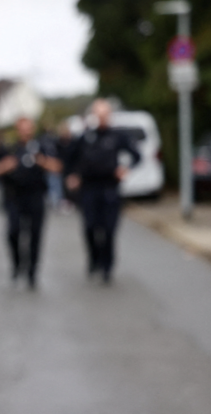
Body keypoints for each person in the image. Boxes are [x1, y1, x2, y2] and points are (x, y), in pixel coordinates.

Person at [66, 99, 141, 283]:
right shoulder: (85, 137)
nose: (101, 118)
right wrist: (73, 175)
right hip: (89, 189)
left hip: (110, 188)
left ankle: (107, 266)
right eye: (98, 114)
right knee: (90, 227)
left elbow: (136, 156)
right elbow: (69, 158)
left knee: (109, 230)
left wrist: (125, 168)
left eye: (105, 114)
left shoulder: (117, 136)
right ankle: (94, 259)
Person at [0, 117, 61, 289]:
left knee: (35, 235)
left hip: (36, 196)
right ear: (17, 130)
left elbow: (57, 167)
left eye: (29, 128)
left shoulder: (42, 146)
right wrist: (7, 165)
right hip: (15, 196)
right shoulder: (9, 147)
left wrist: (42, 161)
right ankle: (17, 263)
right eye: (22, 129)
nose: (26, 132)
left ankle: (32, 272)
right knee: (13, 232)